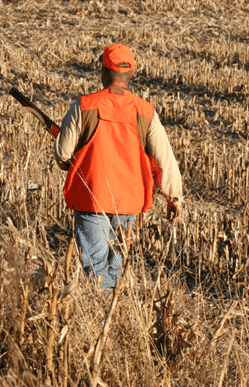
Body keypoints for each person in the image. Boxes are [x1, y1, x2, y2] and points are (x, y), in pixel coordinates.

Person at [54, 43, 183, 289]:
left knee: (96, 268)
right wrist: (173, 198)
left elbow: (63, 155)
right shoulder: (145, 112)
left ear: (103, 71)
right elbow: (161, 160)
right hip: (129, 201)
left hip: (92, 197)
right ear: (131, 74)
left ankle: (105, 317)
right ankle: (116, 314)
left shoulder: (84, 106)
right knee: (117, 265)